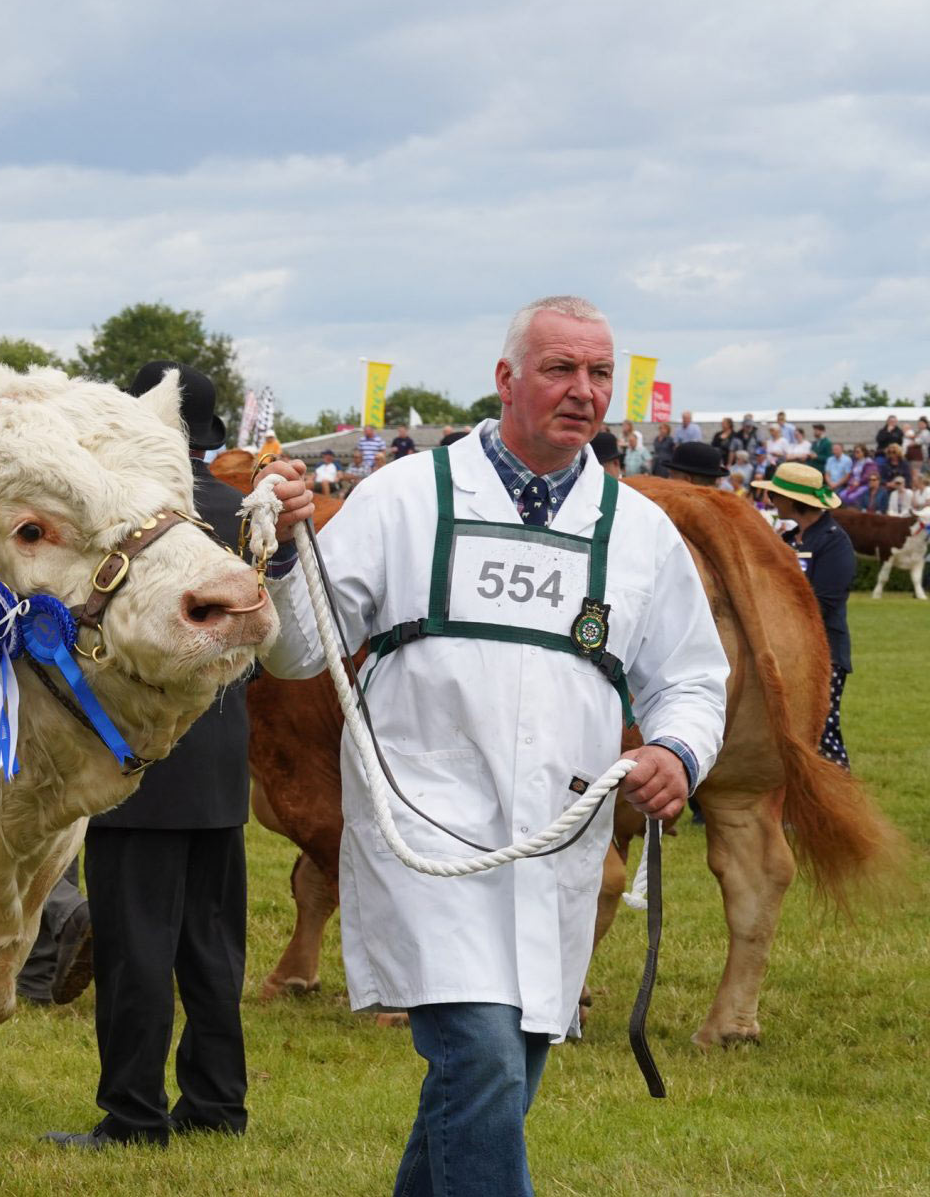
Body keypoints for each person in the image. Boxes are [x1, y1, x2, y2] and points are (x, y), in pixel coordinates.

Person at [251, 296, 725, 1197]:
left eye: (598, 373)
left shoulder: (638, 532)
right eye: (559, 369)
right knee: (484, 1064)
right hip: (426, 832)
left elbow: (695, 679)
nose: (583, 391)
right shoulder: (404, 496)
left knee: (504, 1075)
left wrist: (678, 749)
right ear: (506, 379)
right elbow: (302, 647)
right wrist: (282, 555)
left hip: (559, 836)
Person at [41, 362, 302, 1153]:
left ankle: (133, 1113)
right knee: (211, 947)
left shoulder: (135, 519)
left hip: (140, 757)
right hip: (221, 758)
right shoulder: (237, 511)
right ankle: (218, 1100)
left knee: (133, 951)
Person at [751, 464, 854, 768]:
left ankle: (839, 801)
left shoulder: (834, 542)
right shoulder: (789, 539)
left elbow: (825, 602)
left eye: (777, 494)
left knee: (821, 733)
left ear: (795, 500)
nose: (770, 498)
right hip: (787, 651)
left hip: (824, 655)